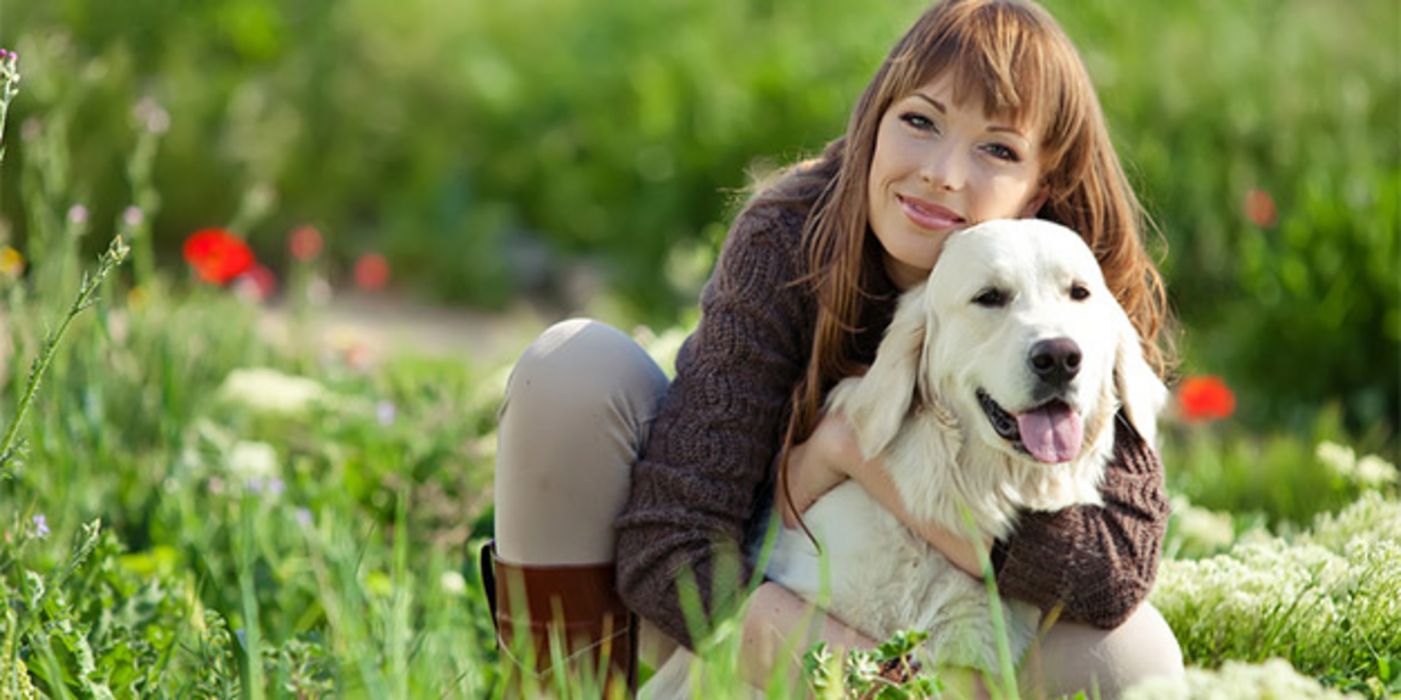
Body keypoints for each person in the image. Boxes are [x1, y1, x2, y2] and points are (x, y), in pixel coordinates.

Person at [483, 0, 1186, 696]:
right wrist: (865, 682)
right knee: (572, 370)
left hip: (959, 634)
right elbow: (669, 547)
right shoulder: (788, 241)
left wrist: (851, 455)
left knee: (1133, 659)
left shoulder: (1072, 290)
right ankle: (557, 691)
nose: (943, 172)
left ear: (1042, 185)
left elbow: (1111, 570)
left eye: (997, 149)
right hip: (743, 607)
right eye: (919, 121)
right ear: (873, 122)